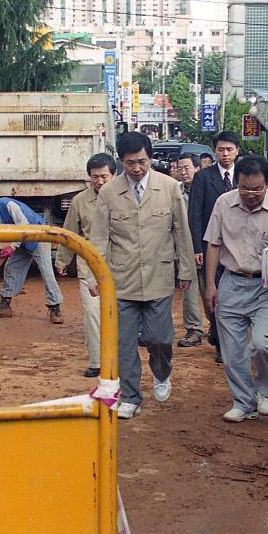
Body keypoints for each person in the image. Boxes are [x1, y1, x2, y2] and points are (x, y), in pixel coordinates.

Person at [85, 131, 195, 419]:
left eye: (142, 162)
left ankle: (161, 373)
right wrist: (94, 276)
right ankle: (131, 396)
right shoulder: (109, 193)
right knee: (123, 344)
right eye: (130, 163)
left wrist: (185, 270)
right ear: (121, 162)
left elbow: (181, 232)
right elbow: (98, 239)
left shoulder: (169, 188)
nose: (136, 168)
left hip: (159, 278)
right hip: (122, 280)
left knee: (160, 338)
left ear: (150, 158)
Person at [203, 155, 268, 423]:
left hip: (267, 287)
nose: (250, 194)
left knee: (263, 344)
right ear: (237, 182)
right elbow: (213, 244)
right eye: (245, 188)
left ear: (267, 185)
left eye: (257, 189)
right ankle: (243, 402)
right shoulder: (223, 204)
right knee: (233, 352)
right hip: (232, 283)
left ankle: (267, 392)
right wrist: (210, 285)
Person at [56, 153, 116, 378]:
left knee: (120, 315)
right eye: (95, 177)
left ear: (113, 175)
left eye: (104, 176)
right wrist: (62, 260)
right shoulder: (80, 201)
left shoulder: (125, 197)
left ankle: (119, 359)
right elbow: (70, 232)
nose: (99, 181)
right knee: (93, 315)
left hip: (122, 266)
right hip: (90, 267)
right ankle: (97, 361)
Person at [0, 188, 64, 324]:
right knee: (11, 269)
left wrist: (13, 246)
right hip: (21, 242)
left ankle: (55, 308)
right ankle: (4, 305)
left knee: (47, 273)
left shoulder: (6, 204)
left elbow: (24, 226)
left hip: (38, 236)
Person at [188, 130, 241, 365]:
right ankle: (219, 339)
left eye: (229, 149)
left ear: (237, 151)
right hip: (212, 247)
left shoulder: (244, 176)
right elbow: (195, 214)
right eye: (221, 149)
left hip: (240, 248)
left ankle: (227, 336)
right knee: (213, 293)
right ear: (215, 151)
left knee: (236, 296)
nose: (225, 154)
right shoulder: (203, 178)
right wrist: (197, 247)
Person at [174, 152, 206, 347]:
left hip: (205, 248)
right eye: (180, 168)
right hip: (184, 251)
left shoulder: (206, 190)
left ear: (197, 168)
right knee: (189, 291)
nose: (183, 172)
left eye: (187, 167)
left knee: (211, 290)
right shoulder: (176, 192)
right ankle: (194, 330)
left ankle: (217, 330)